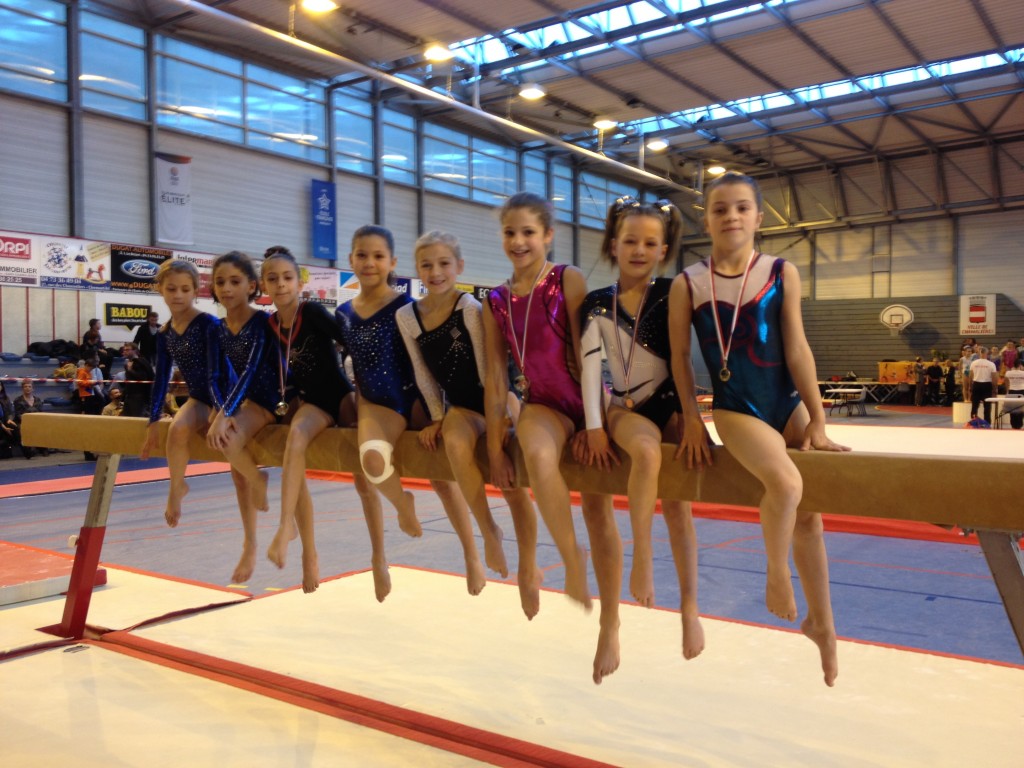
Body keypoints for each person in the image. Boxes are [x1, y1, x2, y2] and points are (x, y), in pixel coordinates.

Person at [669, 172, 848, 687]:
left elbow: (797, 348)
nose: (731, 216)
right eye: (720, 208)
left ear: (758, 217)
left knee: (810, 517)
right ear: (706, 220)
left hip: (786, 403)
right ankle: (775, 573)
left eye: (742, 207)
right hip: (736, 408)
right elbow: (680, 359)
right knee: (787, 484)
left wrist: (817, 418)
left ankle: (822, 623)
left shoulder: (780, 272)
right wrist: (692, 420)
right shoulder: (688, 283)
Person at [579, 196, 705, 671]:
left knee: (679, 508)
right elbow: (590, 370)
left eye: (650, 243)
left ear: (664, 250)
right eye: (630, 241)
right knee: (647, 455)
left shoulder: (673, 292)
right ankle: (641, 559)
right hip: (625, 408)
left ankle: (689, 609)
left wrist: (693, 418)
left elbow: (683, 359)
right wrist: (594, 427)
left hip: (671, 404)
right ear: (614, 245)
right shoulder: (596, 302)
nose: (639, 250)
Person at [483, 192, 614, 644]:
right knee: (537, 455)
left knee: (597, 511)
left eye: (528, 232)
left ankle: (610, 624)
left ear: (548, 236)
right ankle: (571, 557)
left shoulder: (566, 279)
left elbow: (587, 355)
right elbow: (495, 379)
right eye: (510, 232)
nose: (518, 241)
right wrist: (494, 447)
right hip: (541, 403)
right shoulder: (496, 300)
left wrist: (595, 424)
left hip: (585, 398)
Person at [336, 226, 473, 603]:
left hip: (415, 399)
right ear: (350, 260)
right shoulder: (343, 314)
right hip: (375, 403)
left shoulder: (406, 308)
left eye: (378, 256)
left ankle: (471, 553)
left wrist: (438, 413)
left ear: (392, 262)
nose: (369, 263)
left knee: (442, 480)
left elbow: (428, 365)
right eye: (362, 255)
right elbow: (344, 364)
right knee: (369, 466)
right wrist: (350, 406)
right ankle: (383, 549)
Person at [398, 231, 536, 596]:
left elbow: (490, 374)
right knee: (455, 443)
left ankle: (528, 565)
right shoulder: (407, 316)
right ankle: (489, 530)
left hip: (497, 399)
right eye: (426, 265)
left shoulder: (470, 309)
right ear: (417, 269)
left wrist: (499, 425)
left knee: (512, 485)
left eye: (444, 263)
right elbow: (422, 373)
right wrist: (436, 417)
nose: (435, 272)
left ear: (459, 266)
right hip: (461, 407)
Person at [260, 246, 373, 594]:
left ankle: (379, 554)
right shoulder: (270, 325)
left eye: (287, 278)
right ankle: (298, 541)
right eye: (273, 279)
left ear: (300, 282)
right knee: (294, 440)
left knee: (362, 474)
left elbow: (352, 343)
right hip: (314, 403)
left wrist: (364, 398)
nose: (281, 285)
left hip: (342, 397)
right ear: (264, 284)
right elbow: (276, 372)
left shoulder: (312, 312)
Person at [140, 260, 249, 535]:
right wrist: (153, 420)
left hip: (229, 396)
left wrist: (221, 411)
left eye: (185, 289)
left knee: (236, 465)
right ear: (160, 289)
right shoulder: (165, 334)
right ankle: (176, 487)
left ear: (196, 291)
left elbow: (218, 373)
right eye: (171, 289)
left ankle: (252, 528)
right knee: (176, 430)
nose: (178, 295)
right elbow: (161, 377)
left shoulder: (209, 324)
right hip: (200, 396)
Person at [204, 251, 277, 586]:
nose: (227, 288)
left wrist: (226, 413)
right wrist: (221, 408)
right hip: (247, 401)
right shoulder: (217, 329)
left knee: (229, 441)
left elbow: (250, 369)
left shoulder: (262, 322)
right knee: (234, 466)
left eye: (235, 281)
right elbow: (215, 376)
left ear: (251, 286)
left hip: (275, 401)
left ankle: (259, 480)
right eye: (220, 282)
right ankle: (250, 542)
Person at [13, 379, 48, 458]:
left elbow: (41, 413)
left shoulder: (38, 400)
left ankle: (43, 448)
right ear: (22, 388)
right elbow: (18, 414)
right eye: (25, 387)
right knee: (20, 428)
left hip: (36, 421)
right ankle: (28, 451)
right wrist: (29, 421)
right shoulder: (17, 400)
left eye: (29, 386)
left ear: (33, 388)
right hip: (22, 422)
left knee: (44, 426)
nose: (27, 388)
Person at [119, 341, 154, 418]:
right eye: (124, 350)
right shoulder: (129, 363)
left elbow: (143, 378)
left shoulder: (140, 362)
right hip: (129, 396)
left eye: (127, 350)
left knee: (137, 419)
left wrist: (130, 370)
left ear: (135, 350)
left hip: (139, 397)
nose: (125, 352)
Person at [967, 345, 997, 422]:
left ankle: (974, 422)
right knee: (987, 406)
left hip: (976, 384)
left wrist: (970, 386)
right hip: (987, 385)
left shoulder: (974, 363)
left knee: (974, 405)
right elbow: (994, 378)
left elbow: (970, 376)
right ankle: (987, 423)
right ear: (987, 353)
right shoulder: (991, 364)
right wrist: (994, 389)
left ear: (980, 353)